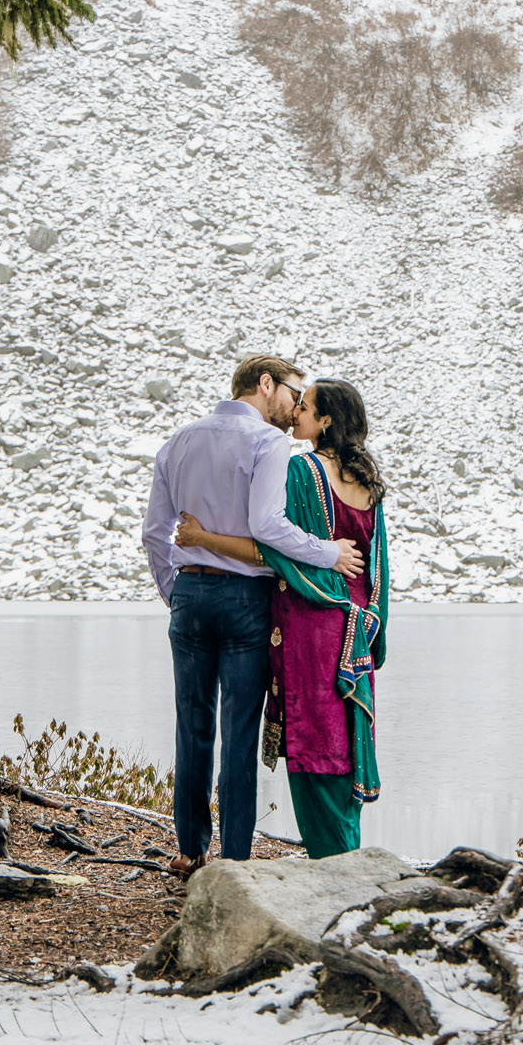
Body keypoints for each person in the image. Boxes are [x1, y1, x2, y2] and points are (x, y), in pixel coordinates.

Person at [142, 356, 364, 879]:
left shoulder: (179, 442)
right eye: (291, 392)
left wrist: (179, 593)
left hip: (192, 593)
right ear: (266, 386)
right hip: (247, 600)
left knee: (191, 726)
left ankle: (190, 848)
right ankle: (235, 859)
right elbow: (268, 524)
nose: (293, 406)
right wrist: (329, 553)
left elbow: (155, 533)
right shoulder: (268, 443)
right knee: (238, 731)